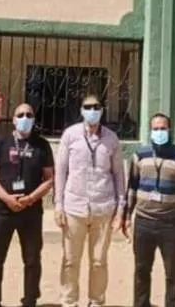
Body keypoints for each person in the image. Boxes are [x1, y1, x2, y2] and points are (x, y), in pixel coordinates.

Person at [54, 93, 126, 307]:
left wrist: (120, 209)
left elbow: (118, 175)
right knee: (70, 260)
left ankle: (96, 301)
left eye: (96, 107)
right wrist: (58, 204)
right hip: (74, 208)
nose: (92, 111)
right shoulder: (70, 135)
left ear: (102, 111)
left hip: (103, 208)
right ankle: (69, 301)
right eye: (88, 107)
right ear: (81, 110)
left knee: (99, 261)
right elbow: (61, 171)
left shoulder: (111, 139)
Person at [0, 102, 55, 307]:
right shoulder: (1, 142)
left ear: (34, 119)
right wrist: (6, 197)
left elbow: (49, 178)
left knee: (32, 258)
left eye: (29, 115)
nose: (25, 118)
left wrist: (31, 198)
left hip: (31, 211)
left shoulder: (42, 145)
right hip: (2, 209)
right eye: (20, 115)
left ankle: (30, 300)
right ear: (13, 120)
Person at [123, 113, 175, 307]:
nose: (159, 132)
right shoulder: (139, 156)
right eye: (155, 129)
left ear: (169, 130)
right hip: (144, 222)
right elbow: (131, 188)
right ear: (150, 131)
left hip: (171, 224)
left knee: (172, 272)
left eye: (163, 128)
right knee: (141, 269)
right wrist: (127, 217)